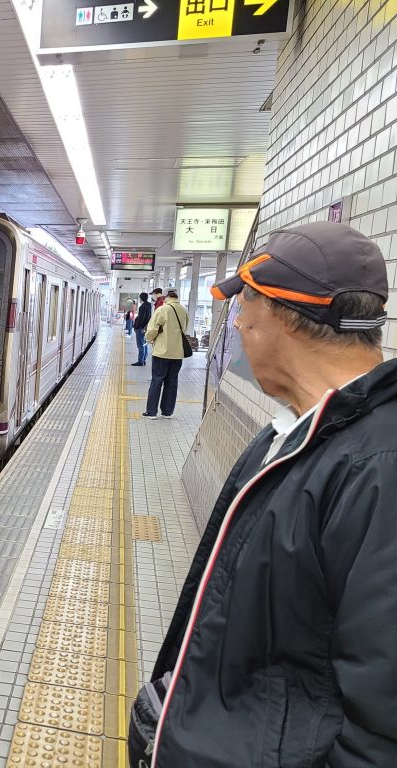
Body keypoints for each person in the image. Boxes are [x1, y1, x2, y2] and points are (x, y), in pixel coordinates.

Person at [130, 222, 397, 767]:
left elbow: (380, 731)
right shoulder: (298, 433)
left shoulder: (377, 469)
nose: (240, 321)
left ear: (277, 316)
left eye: (245, 305)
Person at [142, 289, 188, 418]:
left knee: (157, 381)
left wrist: (148, 339)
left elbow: (152, 329)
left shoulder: (163, 310)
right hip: (178, 353)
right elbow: (185, 328)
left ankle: (151, 412)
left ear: (165, 297)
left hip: (162, 352)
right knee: (172, 382)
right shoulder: (183, 310)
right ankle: (167, 412)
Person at [131, 292, 152, 366]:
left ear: (141, 298)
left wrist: (137, 326)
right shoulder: (150, 306)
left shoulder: (142, 307)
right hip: (147, 328)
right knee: (145, 344)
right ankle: (144, 360)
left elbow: (141, 318)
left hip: (141, 328)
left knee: (140, 345)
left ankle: (140, 361)